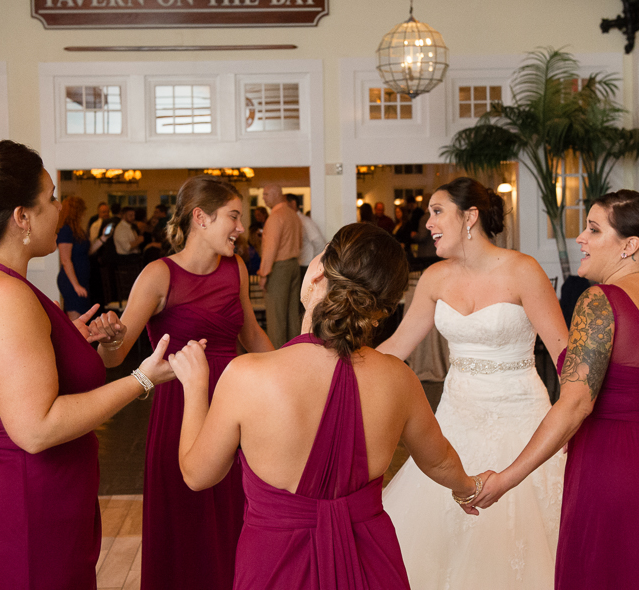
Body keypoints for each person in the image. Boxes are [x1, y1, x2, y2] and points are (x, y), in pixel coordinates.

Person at [0, 140, 175, 589]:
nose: (59, 210)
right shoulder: (5, 298)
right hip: (22, 503)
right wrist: (142, 379)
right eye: (51, 198)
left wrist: (63, 345)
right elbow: (36, 428)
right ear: (21, 217)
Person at [171, 223, 483, 590]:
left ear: (318, 272)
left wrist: (194, 386)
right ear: (381, 311)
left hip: (275, 566)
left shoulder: (247, 375)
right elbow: (440, 460)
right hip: (371, 562)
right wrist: (467, 488)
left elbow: (197, 474)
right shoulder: (399, 380)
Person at [474, 190, 639, 589]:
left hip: (619, 469)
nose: (580, 239)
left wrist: (504, 480)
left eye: (593, 229)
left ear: (630, 246)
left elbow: (573, 405)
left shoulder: (601, 301)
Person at [377, 176, 568, 589]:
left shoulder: (523, 270)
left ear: (470, 217)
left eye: (437, 211)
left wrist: (574, 420)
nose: (427, 222)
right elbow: (397, 345)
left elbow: (564, 354)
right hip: (454, 418)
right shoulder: (434, 277)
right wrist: (337, 365)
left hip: (521, 416)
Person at [87, 176, 273, 590]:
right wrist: (111, 337)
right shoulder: (158, 274)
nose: (241, 228)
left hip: (235, 405)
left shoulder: (235, 268)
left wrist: (289, 373)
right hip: (180, 408)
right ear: (201, 218)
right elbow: (117, 356)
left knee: (235, 512)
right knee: (185, 519)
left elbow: (252, 335)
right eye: (234, 217)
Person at [257, 183, 303, 348]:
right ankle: (295, 352)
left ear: (276, 194)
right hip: (294, 265)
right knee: (292, 313)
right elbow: (299, 242)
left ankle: (277, 355)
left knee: (276, 315)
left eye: (266, 194)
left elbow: (271, 249)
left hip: (279, 267)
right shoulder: (293, 215)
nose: (263, 197)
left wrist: (263, 274)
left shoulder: (275, 217)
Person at [57, 196, 109, 320]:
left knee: (84, 318)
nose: (84, 213)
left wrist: (103, 238)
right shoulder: (66, 230)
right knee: (76, 319)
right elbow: (65, 260)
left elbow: (87, 251)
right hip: (72, 282)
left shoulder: (78, 230)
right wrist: (76, 285)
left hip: (81, 281)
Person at [286, 193, 326, 282]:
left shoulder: (305, 222)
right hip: (298, 265)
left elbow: (319, 242)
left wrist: (315, 262)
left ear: (293, 203)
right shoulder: (292, 221)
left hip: (306, 265)